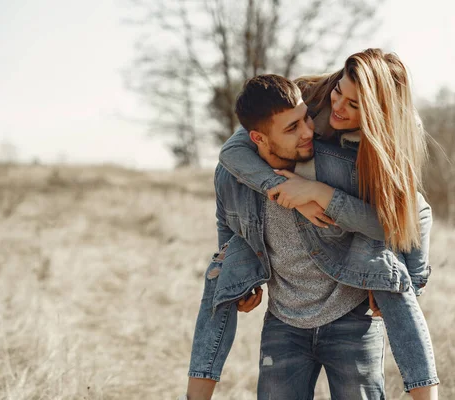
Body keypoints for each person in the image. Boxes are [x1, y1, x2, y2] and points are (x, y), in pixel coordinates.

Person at [184, 71, 436, 400]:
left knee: (391, 271)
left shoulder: (338, 162)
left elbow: (411, 213)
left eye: (305, 119)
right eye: (292, 128)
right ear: (257, 139)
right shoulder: (233, 174)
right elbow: (228, 226)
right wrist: (242, 280)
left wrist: (318, 193)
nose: (309, 132)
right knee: (218, 269)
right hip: (284, 323)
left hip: (351, 318)